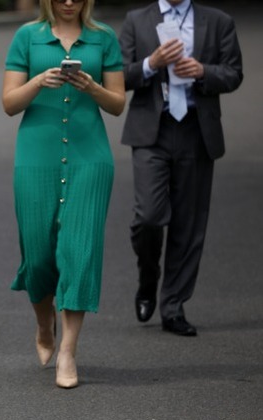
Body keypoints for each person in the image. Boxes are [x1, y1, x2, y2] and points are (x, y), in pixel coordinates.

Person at [2, 0, 125, 388]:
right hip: (36, 156)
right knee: (38, 255)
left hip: (91, 159)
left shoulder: (104, 38)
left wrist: (92, 87)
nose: (69, 1)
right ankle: (44, 322)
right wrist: (39, 81)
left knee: (80, 251)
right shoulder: (27, 37)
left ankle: (68, 352)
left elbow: (118, 104)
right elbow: (9, 104)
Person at [119, 0, 242, 336]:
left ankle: (173, 306)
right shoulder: (136, 20)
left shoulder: (218, 21)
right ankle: (148, 277)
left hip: (196, 130)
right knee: (148, 216)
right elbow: (117, 75)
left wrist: (203, 71)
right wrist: (151, 63)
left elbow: (234, 73)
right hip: (152, 130)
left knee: (188, 224)